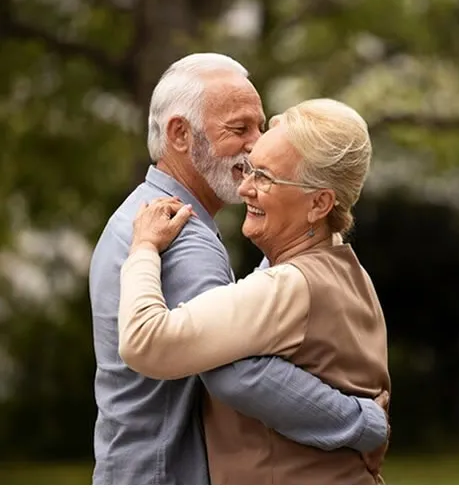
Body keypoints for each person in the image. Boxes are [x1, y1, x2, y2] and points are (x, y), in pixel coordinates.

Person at [89, 54, 388, 485]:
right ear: (180, 134)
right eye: (239, 129)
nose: (255, 145)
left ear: (320, 202)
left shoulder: (138, 214)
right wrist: (364, 424)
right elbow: (236, 371)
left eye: (260, 127)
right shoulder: (182, 236)